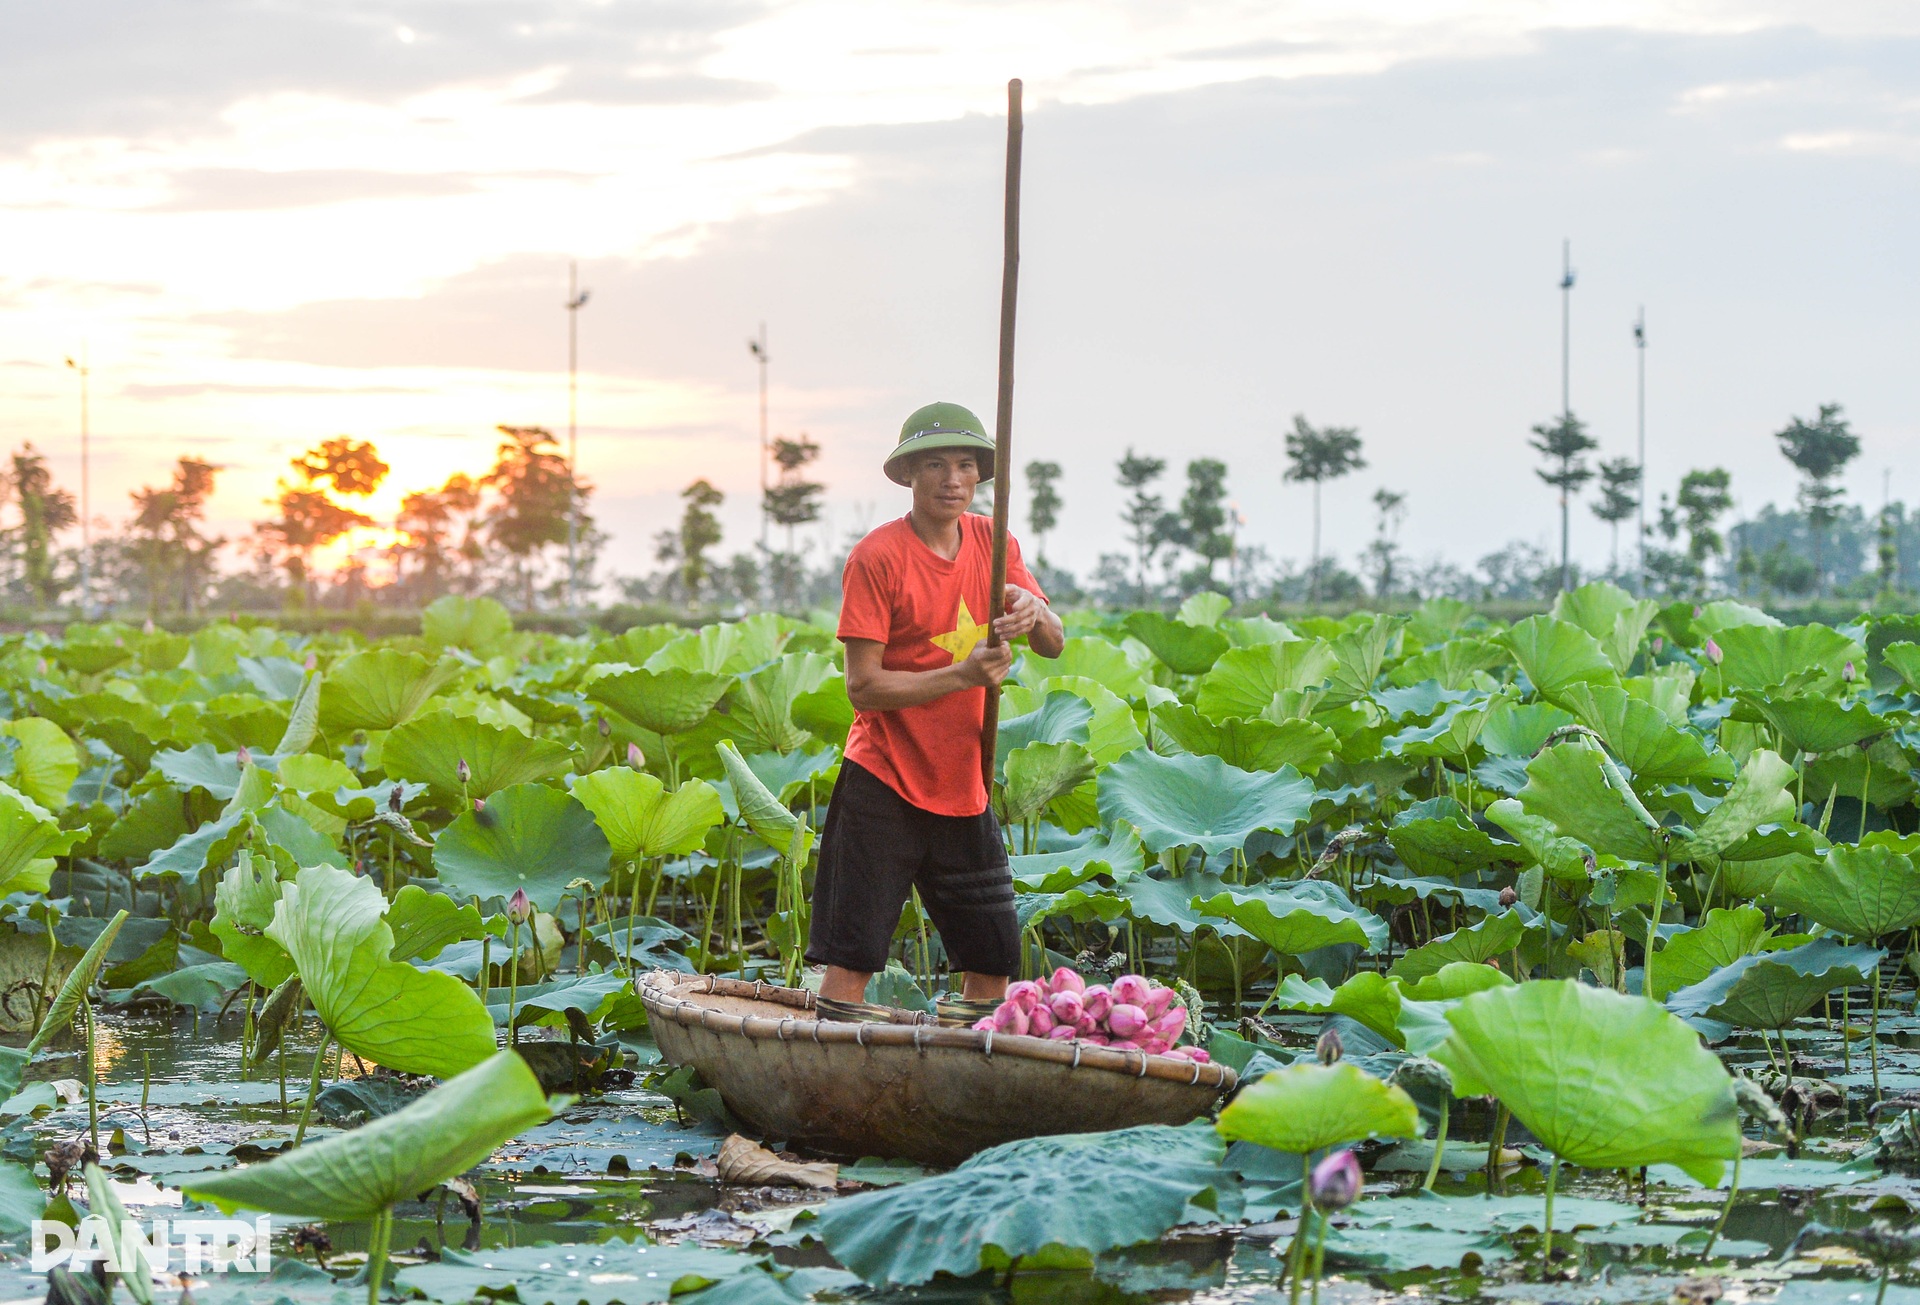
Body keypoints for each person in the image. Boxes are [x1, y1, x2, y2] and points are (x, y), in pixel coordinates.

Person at [808, 401, 1065, 1016]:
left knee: (992, 957)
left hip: (963, 780)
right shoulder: (877, 557)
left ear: (980, 475)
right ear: (908, 476)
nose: (953, 479)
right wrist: (962, 675)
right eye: (935, 464)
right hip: (885, 777)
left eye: (965, 464)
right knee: (854, 957)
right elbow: (863, 687)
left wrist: (1034, 611)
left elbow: (1053, 643)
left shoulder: (994, 541)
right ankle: (833, 1073)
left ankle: (968, 1073)